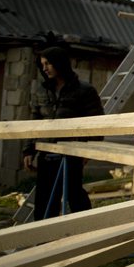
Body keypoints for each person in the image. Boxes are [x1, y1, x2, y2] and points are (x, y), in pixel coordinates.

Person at [21, 46, 104, 220]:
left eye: (48, 63)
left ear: (60, 63)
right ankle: (44, 243)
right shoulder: (41, 91)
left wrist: (86, 151)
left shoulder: (84, 90)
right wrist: (29, 150)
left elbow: (97, 123)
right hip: (46, 154)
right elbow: (35, 122)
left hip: (71, 154)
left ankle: (87, 234)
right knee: (44, 202)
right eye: (42, 64)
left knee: (75, 197)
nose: (44, 68)